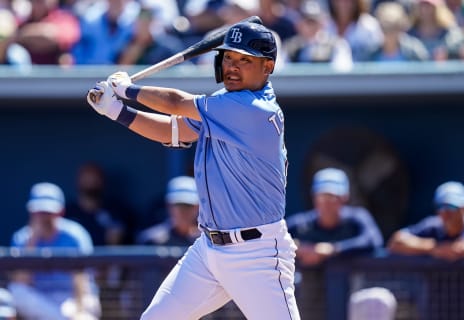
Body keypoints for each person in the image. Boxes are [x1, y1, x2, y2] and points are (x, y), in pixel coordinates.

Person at [86, 21, 300, 319]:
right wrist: (116, 110)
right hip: (208, 250)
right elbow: (172, 132)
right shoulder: (224, 106)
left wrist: (127, 90)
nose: (233, 67)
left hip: (257, 254)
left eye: (245, 60)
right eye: (228, 57)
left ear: (268, 67)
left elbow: (176, 102)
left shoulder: (254, 109)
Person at [9, 182, 101, 320]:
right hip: (40, 300)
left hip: (72, 298)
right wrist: (33, 240)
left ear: (60, 212)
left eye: (48, 212)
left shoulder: (75, 235)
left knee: (84, 313)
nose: (44, 217)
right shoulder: (22, 238)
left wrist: (79, 310)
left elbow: (83, 281)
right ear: (31, 212)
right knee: (16, 291)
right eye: (39, 212)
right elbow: (21, 282)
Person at [287, 167, 384, 267]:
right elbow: (275, 241)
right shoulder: (299, 225)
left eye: (332, 197)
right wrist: (298, 248)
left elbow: (374, 240)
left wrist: (332, 249)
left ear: (344, 198)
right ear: (314, 198)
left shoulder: (357, 218)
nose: (326, 203)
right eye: (322, 197)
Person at [388, 181, 464, 261]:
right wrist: (435, 248)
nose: (446, 213)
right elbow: (395, 242)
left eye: (452, 206)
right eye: (441, 207)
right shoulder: (432, 226)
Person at [136, 175, 200, 246]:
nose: (183, 210)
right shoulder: (151, 240)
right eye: (179, 204)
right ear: (169, 205)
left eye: (188, 205)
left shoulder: (206, 241)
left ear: (197, 207)